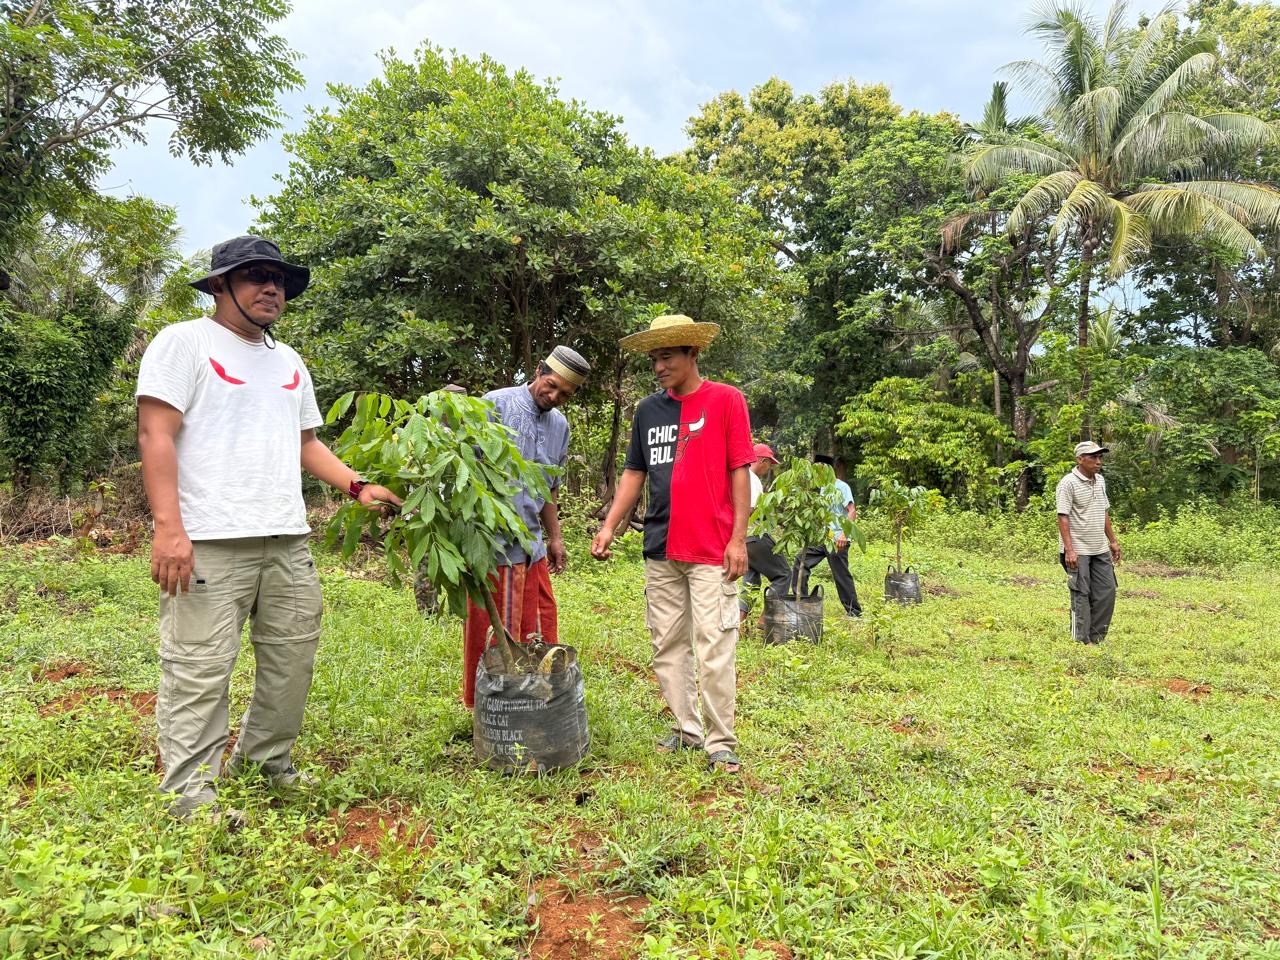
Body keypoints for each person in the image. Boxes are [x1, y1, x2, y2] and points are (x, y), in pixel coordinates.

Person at [136, 235, 402, 822]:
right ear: (219, 285)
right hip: (208, 540)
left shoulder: (289, 361)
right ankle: (190, 798)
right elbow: (156, 434)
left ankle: (264, 763)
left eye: (278, 278)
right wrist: (168, 529)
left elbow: (306, 443)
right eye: (255, 275)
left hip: (285, 538)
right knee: (199, 669)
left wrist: (358, 486)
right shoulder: (184, 343)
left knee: (291, 659)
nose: (271, 288)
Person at [590, 315, 754, 774]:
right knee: (667, 645)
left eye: (666, 357)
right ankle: (687, 730)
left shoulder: (725, 401)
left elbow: (740, 468)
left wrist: (738, 538)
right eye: (653, 359)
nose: (658, 366)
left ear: (691, 355)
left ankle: (720, 741)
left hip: (711, 548)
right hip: (660, 546)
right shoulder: (648, 410)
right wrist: (609, 526)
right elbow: (634, 474)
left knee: (714, 644)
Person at [461, 346, 591, 707]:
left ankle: (533, 699)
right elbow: (463, 469)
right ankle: (489, 704)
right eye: (551, 386)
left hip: (531, 545)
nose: (554, 397)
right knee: (490, 627)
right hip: (490, 544)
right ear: (537, 371)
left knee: (539, 623)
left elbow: (549, 486)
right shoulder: (494, 404)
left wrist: (556, 537)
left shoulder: (559, 426)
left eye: (565, 394)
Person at [1056, 440, 1122, 644]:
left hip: (1099, 547)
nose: (1098, 461)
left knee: (1107, 591)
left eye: (1100, 457)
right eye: (1093, 457)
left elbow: (1103, 512)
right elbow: (1063, 516)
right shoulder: (1068, 483)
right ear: (1080, 459)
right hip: (1078, 550)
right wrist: (1069, 550)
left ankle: (1096, 638)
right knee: (1081, 594)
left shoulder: (1100, 481)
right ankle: (1080, 641)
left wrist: (1113, 541)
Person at [797, 454, 862, 617]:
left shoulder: (841, 487)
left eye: (818, 469)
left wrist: (843, 534)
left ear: (827, 470)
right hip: (822, 539)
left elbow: (852, 511)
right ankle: (801, 602)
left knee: (841, 575)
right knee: (801, 561)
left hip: (838, 539)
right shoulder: (820, 489)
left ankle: (854, 612)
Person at [740, 442, 793, 618]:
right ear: (762, 460)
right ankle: (766, 618)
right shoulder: (752, 478)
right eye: (769, 463)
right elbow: (750, 509)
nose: (769, 468)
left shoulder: (739, 475)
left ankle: (739, 623)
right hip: (754, 535)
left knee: (751, 580)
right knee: (784, 574)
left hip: (741, 539)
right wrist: (770, 515)